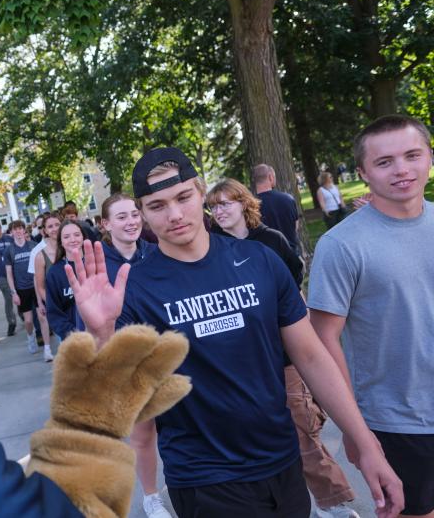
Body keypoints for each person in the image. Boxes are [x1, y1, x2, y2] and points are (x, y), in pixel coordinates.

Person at [63, 147, 402, 518]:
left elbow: (310, 356)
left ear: (200, 192)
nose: (174, 214)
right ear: (143, 213)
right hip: (205, 479)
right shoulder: (135, 290)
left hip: (282, 463)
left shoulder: (259, 261)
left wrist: (363, 439)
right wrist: (101, 332)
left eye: (183, 197)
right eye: (157, 206)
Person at [207, 179, 359, 518]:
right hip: (241, 362)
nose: (219, 211)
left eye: (225, 203)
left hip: (285, 355)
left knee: (303, 428)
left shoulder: (271, 241)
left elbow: (293, 284)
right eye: (214, 206)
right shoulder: (211, 250)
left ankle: (331, 501)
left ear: (243, 204)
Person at [309, 115, 434, 518]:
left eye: (412, 155)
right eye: (385, 162)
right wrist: (355, 430)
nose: (401, 169)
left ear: (429, 156)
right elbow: (323, 341)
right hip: (399, 421)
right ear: (362, 172)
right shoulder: (341, 245)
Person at [99, 193, 165, 518]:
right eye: (121, 217)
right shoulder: (99, 265)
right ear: (106, 224)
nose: (131, 221)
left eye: (134, 214)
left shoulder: (158, 253)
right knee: (144, 432)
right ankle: (151, 497)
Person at [45, 220, 86, 342]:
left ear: (83, 237)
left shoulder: (96, 262)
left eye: (77, 235)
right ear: (61, 242)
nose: (73, 240)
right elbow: (54, 312)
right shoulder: (55, 273)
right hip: (74, 339)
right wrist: (74, 334)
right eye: (66, 237)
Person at [4, 220, 39, 354]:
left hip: (36, 286)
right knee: (28, 321)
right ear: (11, 232)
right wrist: (14, 293)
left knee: (43, 317)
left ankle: (46, 345)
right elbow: (9, 274)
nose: (18, 231)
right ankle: (31, 337)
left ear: (24, 230)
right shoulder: (9, 250)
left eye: (20, 229)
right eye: (15, 229)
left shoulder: (33, 246)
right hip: (22, 289)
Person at [253, 163, 302, 256]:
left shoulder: (251, 206)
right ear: (270, 177)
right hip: (291, 254)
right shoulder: (288, 199)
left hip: (268, 257)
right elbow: (295, 226)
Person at [33, 213, 62, 362]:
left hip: (79, 303)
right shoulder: (39, 255)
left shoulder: (72, 247)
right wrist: (50, 304)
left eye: (57, 225)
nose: (54, 229)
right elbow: (40, 285)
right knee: (65, 342)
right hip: (57, 306)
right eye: (50, 226)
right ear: (44, 230)